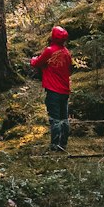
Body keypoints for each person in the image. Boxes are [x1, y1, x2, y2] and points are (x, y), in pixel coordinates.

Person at [30, 25, 72, 153]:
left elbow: (36, 63)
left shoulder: (49, 50)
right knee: (64, 117)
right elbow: (69, 70)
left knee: (54, 118)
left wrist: (33, 59)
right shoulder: (66, 53)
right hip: (65, 90)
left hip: (53, 90)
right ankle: (63, 143)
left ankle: (55, 145)